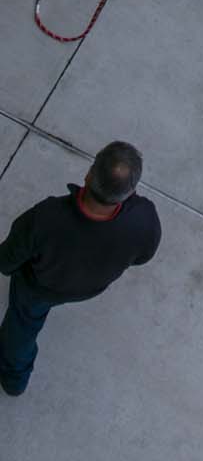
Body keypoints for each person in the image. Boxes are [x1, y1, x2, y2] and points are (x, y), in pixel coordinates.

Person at [0, 141, 161, 398]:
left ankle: (13, 378)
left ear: (88, 175)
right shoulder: (144, 219)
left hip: (37, 288)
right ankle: (14, 382)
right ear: (130, 192)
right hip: (85, 289)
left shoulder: (45, 218)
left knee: (22, 327)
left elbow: (7, 260)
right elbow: (143, 256)